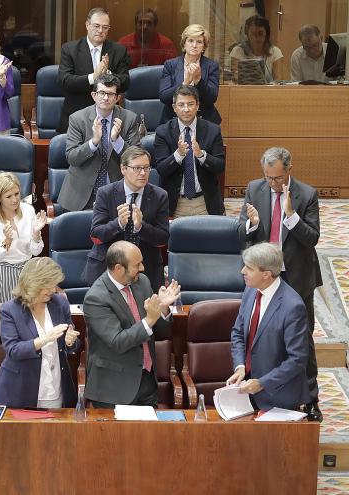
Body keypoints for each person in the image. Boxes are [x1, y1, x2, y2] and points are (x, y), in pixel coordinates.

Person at [239, 147, 322, 421]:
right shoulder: (254, 189)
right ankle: (261, 393)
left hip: (295, 276)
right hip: (263, 276)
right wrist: (251, 224)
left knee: (303, 343)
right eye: (268, 178)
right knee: (260, 334)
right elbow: (241, 232)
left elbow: (312, 238)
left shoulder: (307, 195)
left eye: (277, 178)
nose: (272, 183)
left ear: (288, 169)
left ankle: (310, 399)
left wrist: (291, 217)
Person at [83, 241, 180, 408]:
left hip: (147, 380)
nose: (142, 268)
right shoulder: (96, 298)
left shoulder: (142, 282)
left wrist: (163, 308)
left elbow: (160, 331)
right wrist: (149, 319)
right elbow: (118, 341)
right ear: (119, 268)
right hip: (114, 389)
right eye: (137, 265)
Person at [226, 243, 310, 414]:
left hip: (278, 397)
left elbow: (297, 359)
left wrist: (262, 383)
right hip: (246, 394)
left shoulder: (293, 306)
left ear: (266, 274)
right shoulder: (250, 291)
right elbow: (238, 333)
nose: (243, 271)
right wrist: (240, 366)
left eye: (249, 268)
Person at [0, 257, 81, 408]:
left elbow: (72, 341)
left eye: (54, 285)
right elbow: (13, 350)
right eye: (47, 285)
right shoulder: (10, 310)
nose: (52, 290)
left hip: (56, 389)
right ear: (32, 284)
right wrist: (44, 339)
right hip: (21, 391)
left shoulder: (60, 303)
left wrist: (70, 341)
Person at [86, 146, 169, 291]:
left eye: (146, 168)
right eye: (137, 168)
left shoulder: (159, 196)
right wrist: (118, 224)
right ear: (123, 169)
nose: (143, 173)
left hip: (145, 268)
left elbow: (163, 238)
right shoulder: (106, 193)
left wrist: (141, 227)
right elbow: (96, 234)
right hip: (108, 267)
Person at [58, 74, 142, 212]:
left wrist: (117, 141)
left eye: (110, 94)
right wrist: (93, 142)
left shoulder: (129, 119)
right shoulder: (77, 119)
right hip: (81, 194)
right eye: (101, 93)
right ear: (93, 95)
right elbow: (72, 158)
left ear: (117, 98)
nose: (105, 98)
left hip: (115, 194)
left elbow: (137, 160)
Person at [153, 84, 226, 217]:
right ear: (174, 108)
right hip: (175, 204)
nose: (186, 109)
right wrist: (178, 155)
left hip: (205, 202)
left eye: (190, 104)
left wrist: (201, 155)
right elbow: (161, 169)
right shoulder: (163, 132)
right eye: (181, 105)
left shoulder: (213, 130)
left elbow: (220, 166)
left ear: (197, 106)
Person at [57, 7, 130, 133]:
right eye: (96, 26)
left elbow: (125, 81)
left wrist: (108, 75)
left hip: (108, 119)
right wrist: (94, 77)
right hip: (76, 118)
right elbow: (65, 81)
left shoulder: (118, 51)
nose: (100, 31)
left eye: (105, 27)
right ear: (87, 25)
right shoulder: (70, 49)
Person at [0, 172, 46, 303]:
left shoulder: (28, 210)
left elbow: (36, 251)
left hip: (26, 273)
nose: (15, 199)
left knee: (26, 317)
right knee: (0, 319)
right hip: (1, 274)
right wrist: (7, 241)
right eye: (8, 196)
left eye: (16, 194)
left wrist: (36, 233)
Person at [159, 24, 221, 125]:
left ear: (204, 47)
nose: (194, 45)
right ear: (184, 44)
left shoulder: (211, 66)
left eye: (199, 42)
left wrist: (198, 80)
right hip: (173, 120)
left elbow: (212, 98)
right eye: (190, 40)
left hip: (204, 120)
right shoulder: (170, 65)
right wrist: (184, 84)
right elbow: (164, 97)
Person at [230, 15, 285, 83]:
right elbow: (234, 78)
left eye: (260, 34)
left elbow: (279, 80)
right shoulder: (237, 51)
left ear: (266, 34)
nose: (257, 38)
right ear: (247, 33)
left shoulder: (275, 51)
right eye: (253, 34)